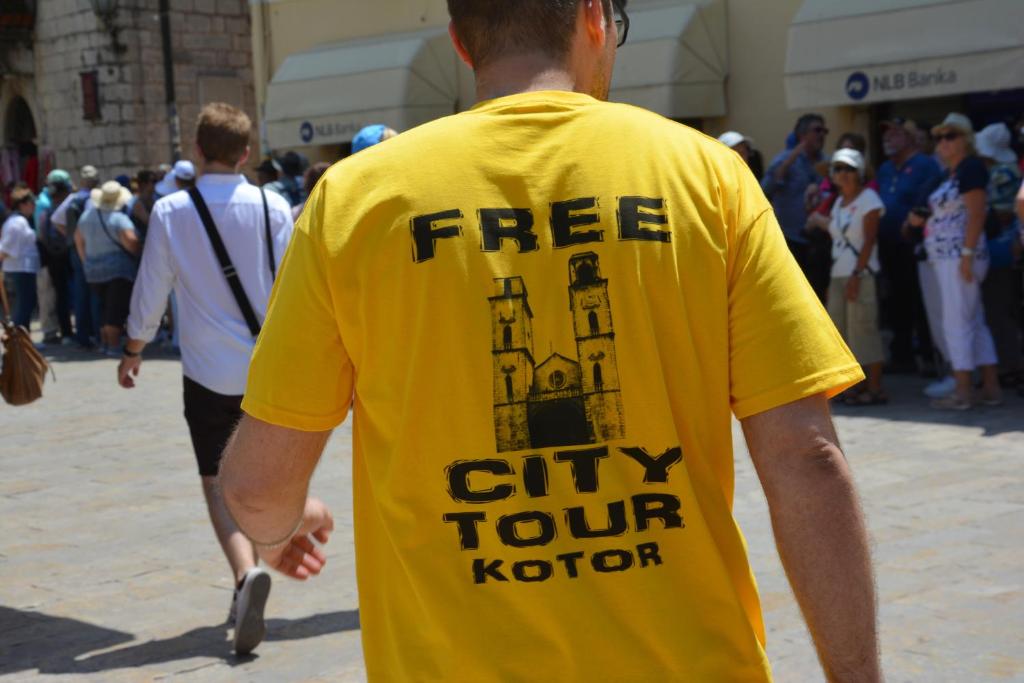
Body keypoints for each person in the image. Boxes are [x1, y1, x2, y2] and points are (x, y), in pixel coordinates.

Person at [218, 2, 881, 681]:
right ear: (594, 17)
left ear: (460, 42)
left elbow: (257, 487)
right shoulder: (705, 177)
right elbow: (806, 458)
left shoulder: (355, 202)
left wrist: (282, 525)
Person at [117, 102, 294, 656]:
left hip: (208, 374)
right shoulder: (273, 205)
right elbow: (296, 285)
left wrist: (134, 347)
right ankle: (252, 575)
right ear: (246, 153)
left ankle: (245, 574)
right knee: (257, 479)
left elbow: (152, 286)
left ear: (196, 150)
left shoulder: (172, 210)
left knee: (217, 481)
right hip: (269, 369)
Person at [908, 113, 1001, 410]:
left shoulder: (970, 167)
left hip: (958, 256)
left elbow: (977, 213)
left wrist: (967, 255)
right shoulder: (951, 173)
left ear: (966, 140)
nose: (943, 142)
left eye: (951, 136)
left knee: (956, 323)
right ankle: (990, 388)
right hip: (950, 257)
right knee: (973, 321)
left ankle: (963, 391)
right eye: (939, 137)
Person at [811, 149, 886, 404]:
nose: (842, 174)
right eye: (837, 169)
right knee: (841, 332)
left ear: (860, 173)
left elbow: (869, 240)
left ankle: (875, 387)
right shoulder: (838, 203)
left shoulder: (869, 199)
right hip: (838, 273)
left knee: (863, 329)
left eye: (848, 169)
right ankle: (854, 387)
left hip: (860, 273)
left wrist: (856, 274)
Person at [876, 118, 945, 378]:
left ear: (910, 138)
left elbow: (927, 203)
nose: (888, 138)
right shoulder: (884, 168)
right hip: (888, 246)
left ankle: (929, 357)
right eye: (886, 134)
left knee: (921, 302)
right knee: (896, 302)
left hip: (916, 245)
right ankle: (902, 356)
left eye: (895, 133)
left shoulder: (925, 165)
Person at [975, 123, 1023, 386]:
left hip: (1001, 251)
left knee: (999, 311)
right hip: (995, 251)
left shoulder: (1003, 173)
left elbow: (1004, 214)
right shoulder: (998, 170)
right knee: (996, 311)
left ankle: (1009, 367)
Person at [762, 113, 829, 293]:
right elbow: (765, 190)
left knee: (819, 292)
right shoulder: (784, 160)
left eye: (825, 131)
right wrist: (787, 164)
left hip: (819, 240)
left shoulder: (828, 163)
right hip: (791, 239)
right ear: (802, 135)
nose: (822, 135)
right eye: (817, 130)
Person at [74, 181, 140, 357]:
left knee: (103, 308)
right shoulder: (119, 219)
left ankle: (104, 343)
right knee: (115, 310)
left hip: (93, 271)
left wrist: (87, 261)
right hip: (118, 270)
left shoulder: (87, 216)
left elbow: (78, 240)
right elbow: (131, 243)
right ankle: (113, 345)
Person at [52, 165, 101, 348]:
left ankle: (83, 335)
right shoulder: (95, 198)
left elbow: (55, 220)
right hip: (92, 249)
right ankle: (96, 333)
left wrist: (71, 237)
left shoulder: (73, 198)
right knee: (95, 291)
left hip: (75, 249)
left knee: (81, 292)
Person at [37, 170, 75, 343]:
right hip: (64, 256)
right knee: (64, 294)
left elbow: (42, 236)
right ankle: (68, 331)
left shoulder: (45, 208)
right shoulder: (64, 208)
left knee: (60, 295)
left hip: (52, 257)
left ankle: (66, 331)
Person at [0, 186, 40, 329]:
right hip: (19, 270)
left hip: (23, 269)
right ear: (23, 205)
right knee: (23, 306)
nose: (34, 206)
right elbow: (5, 249)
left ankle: (23, 337)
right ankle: (17, 337)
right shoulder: (16, 223)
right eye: (31, 203)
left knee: (26, 305)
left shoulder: (19, 221)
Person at [128, 169, 159, 245]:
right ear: (144, 184)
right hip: (145, 243)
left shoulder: (154, 198)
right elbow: (151, 223)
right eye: (153, 181)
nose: (156, 184)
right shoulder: (137, 203)